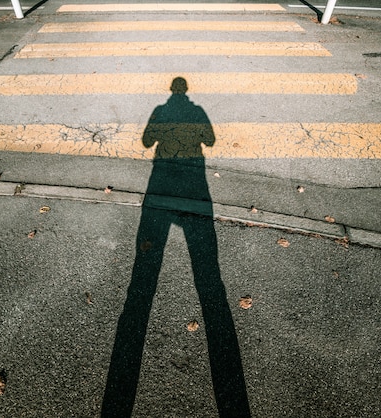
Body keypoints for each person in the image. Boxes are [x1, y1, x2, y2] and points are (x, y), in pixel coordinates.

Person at [101, 78, 251, 417]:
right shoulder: (196, 111)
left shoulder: (160, 110)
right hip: (194, 178)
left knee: (144, 275)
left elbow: (145, 140)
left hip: (161, 178)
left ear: (172, 90)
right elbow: (210, 140)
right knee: (207, 272)